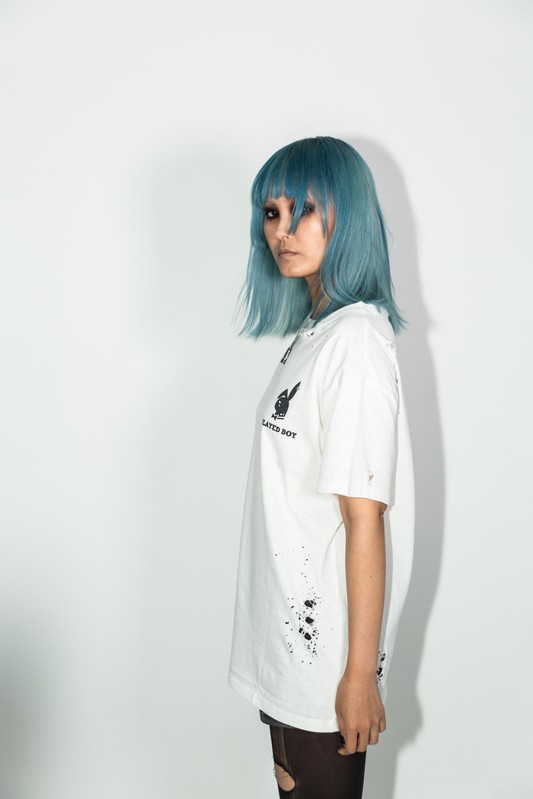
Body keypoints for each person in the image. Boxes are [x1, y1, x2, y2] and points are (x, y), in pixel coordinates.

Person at [227, 136, 415, 799]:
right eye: (271, 212)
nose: (282, 230)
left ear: (348, 216)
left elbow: (364, 519)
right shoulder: (317, 334)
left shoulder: (356, 342)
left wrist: (359, 675)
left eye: (303, 209)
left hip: (323, 663)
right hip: (286, 647)